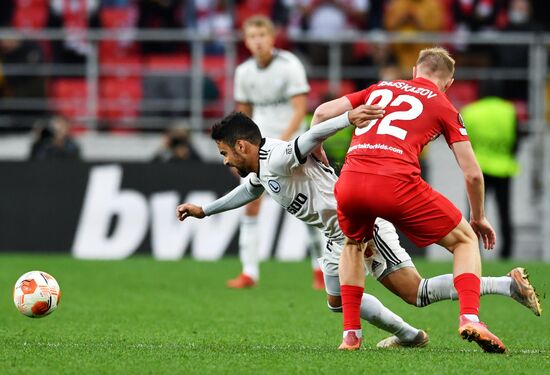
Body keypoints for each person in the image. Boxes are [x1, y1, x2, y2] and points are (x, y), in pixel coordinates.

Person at [176, 110, 541, 349]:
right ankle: (426, 326)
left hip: (360, 225)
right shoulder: (260, 168)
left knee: (391, 295)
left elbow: (310, 135)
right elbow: (250, 188)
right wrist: (205, 210)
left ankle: (417, 329)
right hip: (340, 233)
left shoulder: (279, 156)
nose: (225, 160)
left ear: (242, 145)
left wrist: (349, 117)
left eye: (225, 152)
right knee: (392, 295)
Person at [314, 47, 506, 353]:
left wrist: (318, 154)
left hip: (350, 179)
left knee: (353, 244)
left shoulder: (381, 87)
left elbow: (322, 113)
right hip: (396, 182)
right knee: (465, 241)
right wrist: (479, 216)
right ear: (448, 83)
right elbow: (472, 174)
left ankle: (351, 335)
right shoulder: (443, 104)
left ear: (415, 70)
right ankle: (470, 317)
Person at [230, 15, 324, 289]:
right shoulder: (244, 72)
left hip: (291, 147)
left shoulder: (289, 65)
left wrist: (282, 144)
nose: (257, 41)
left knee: (306, 209)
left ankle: (319, 269)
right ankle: (249, 272)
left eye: (262, 35)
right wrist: (239, 149)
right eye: (252, 36)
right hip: (257, 149)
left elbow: (299, 110)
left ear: (272, 38)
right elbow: (244, 114)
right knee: (250, 204)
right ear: (246, 41)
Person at [460, 81, 520, 259]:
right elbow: (516, 140)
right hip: (503, 167)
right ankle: (506, 252)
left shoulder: (470, 111)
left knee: (473, 213)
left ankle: (471, 249)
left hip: (478, 169)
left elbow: (463, 141)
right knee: (505, 212)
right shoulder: (509, 110)